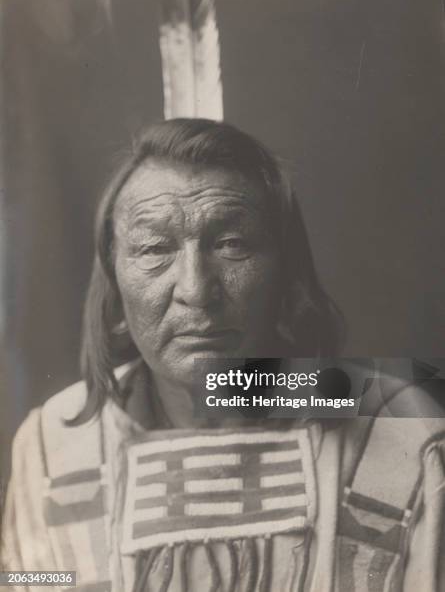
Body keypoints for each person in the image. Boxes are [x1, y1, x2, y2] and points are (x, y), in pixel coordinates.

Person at [1, 119, 444, 591]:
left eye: (232, 245)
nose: (196, 290)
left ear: (287, 271)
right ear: (114, 281)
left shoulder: (403, 427)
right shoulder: (53, 444)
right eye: (154, 248)